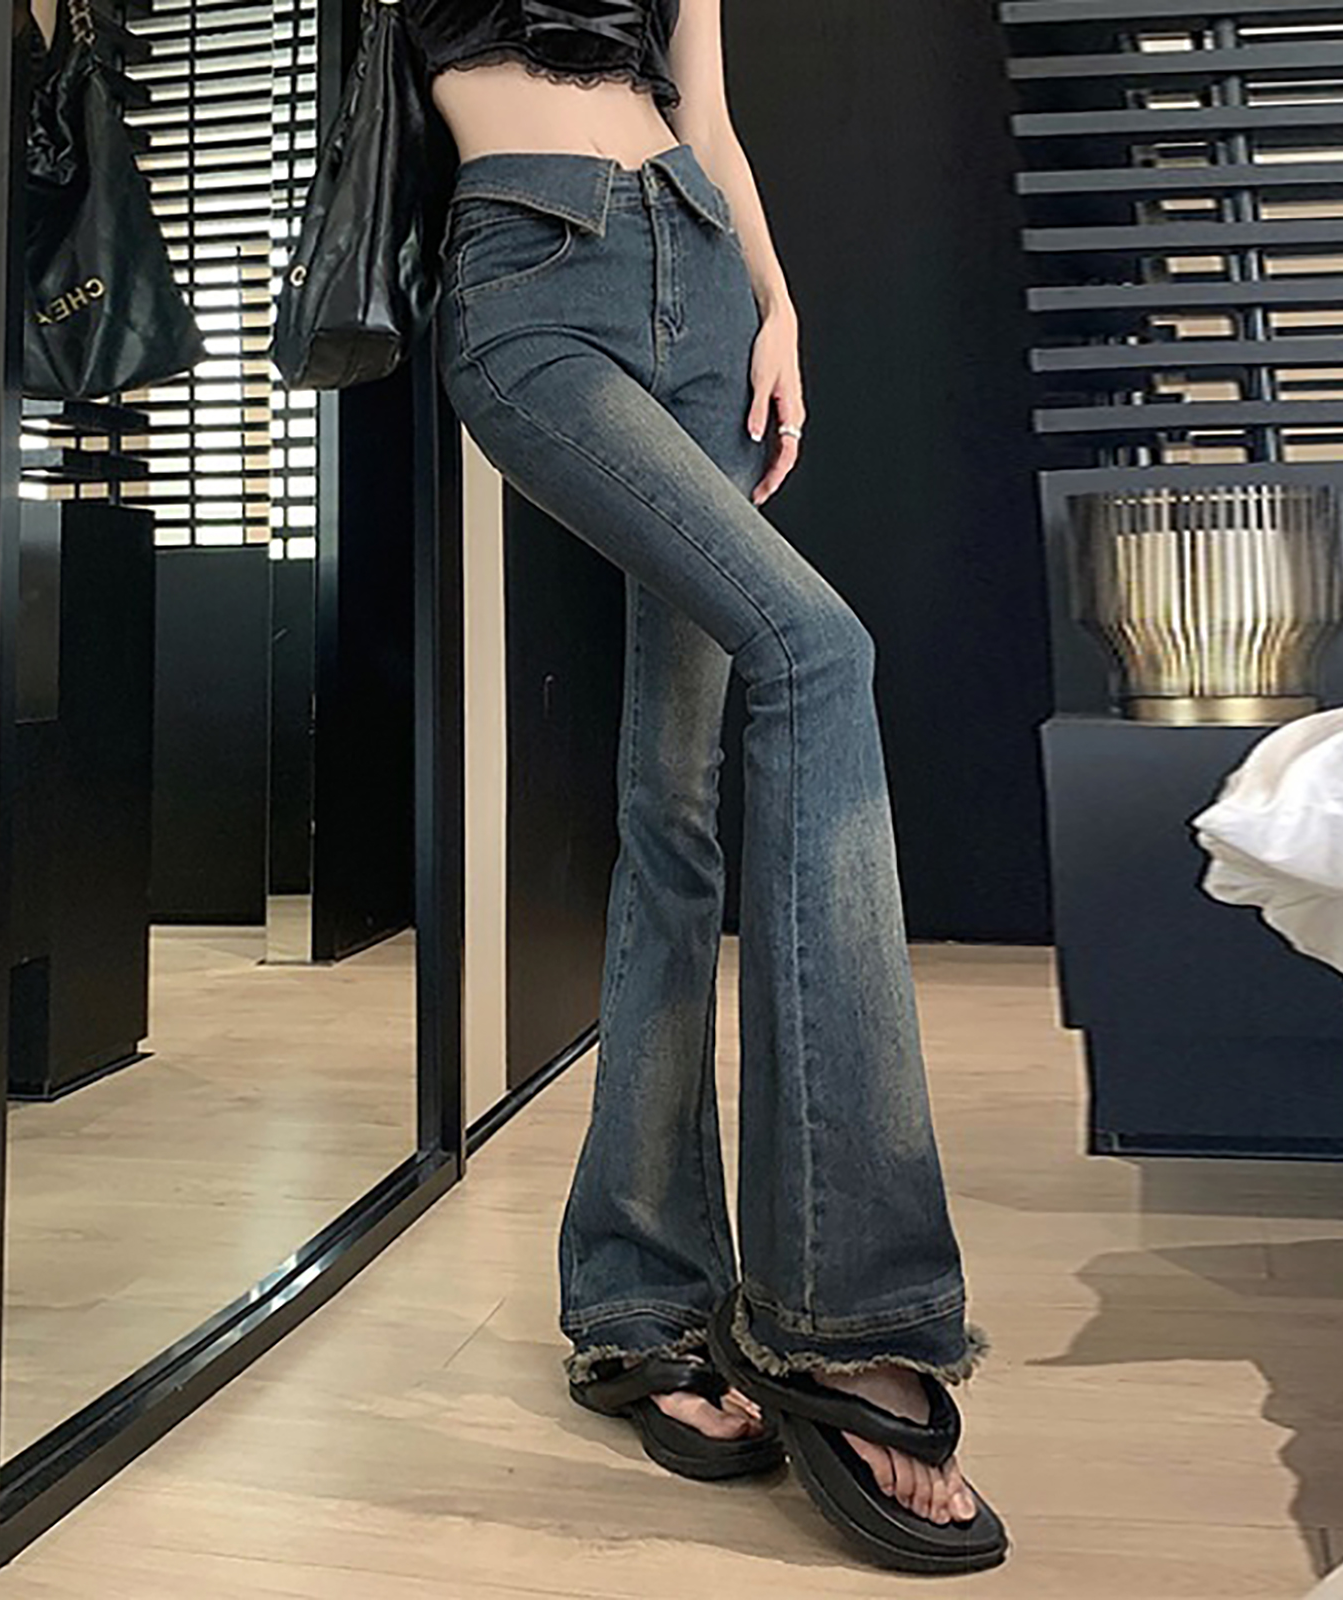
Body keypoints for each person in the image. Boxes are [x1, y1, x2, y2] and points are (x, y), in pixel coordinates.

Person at [406, 0, 1007, 1573]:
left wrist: (777, 302)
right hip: (530, 276)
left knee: (671, 813)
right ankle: (846, 1318)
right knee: (815, 645)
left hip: (704, 272)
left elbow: (710, 114)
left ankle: (639, 1302)